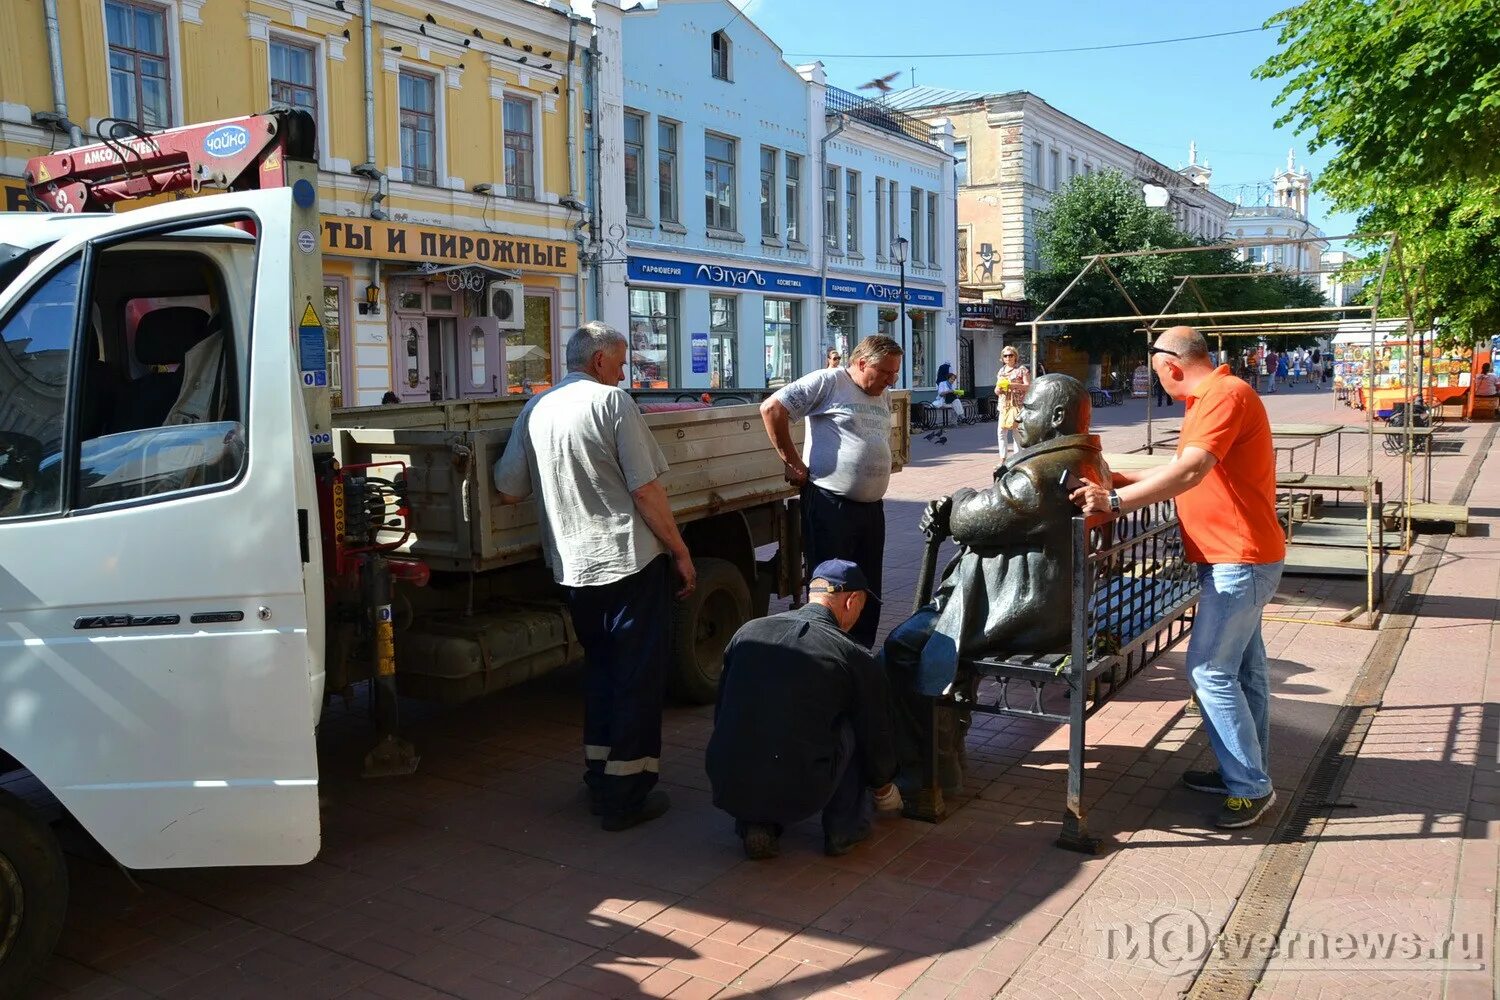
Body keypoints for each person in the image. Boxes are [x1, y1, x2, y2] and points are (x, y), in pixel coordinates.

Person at [1071, 326, 1284, 829]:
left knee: (1210, 672)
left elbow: (1190, 472)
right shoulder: (1212, 398)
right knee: (1243, 673)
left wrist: (1116, 501)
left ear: (1170, 366)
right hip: (1237, 558)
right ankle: (1245, 771)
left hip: (1239, 560)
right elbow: (1181, 468)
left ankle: (1251, 786)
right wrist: (1120, 478)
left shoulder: (1224, 395)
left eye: (1154, 372)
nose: (1156, 380)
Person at [494, 322, 697, 832]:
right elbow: (647, 491)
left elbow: (508, 487)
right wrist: (680, 551)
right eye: (623, 360)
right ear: (602, 360)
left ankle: (600, 774)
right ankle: (625, 796)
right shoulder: (613, 404)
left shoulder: (536, 407)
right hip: (628, 562)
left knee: (603, 671)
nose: (625, 370)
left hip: (573, 566)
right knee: (636, 679)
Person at [883, 374, 1112, 794]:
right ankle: (943, 748)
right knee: (935, 635)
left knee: (902, 647)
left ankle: (928, 764)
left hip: (1025, 612)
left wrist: (958, 495)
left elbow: (970, 520)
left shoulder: (1038, 475)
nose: (1019, 417)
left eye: (1028, 409)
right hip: (1057, 602)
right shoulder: (1087, 459)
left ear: (1057, 416)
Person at [707, 559, 902, 860]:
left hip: (725, 781)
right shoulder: (852, 655)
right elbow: (876, 733)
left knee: (756, 714)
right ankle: (843, 830)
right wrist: (884, 786)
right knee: (854, 722)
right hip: (801, 789)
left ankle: (756, 824)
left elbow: (722, 711)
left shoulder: (748, 632)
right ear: (852, 601)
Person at [760, 335, 902, 647]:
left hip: (870, 508)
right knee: (832, 588)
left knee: (866, 588)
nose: (891, 380)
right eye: (885, 373)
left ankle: (859, 655)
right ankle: (826, 653)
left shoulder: (883, 393)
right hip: (830, 505)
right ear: (862, 363)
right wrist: (792, 461)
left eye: (895, 374)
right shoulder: (828, 382)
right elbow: (772, 409)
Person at [994, 346, 1031, 454]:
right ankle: (1003, 458)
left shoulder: (1022, 369)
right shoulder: (1001, 371)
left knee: (1016, 433)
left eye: (1011, 355)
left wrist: (1013, 385)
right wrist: (998, 389)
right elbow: (996, 390)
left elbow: (1028, 386)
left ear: (1015, 356)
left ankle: (1017, 457)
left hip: (1017, 405)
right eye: (1005, 356)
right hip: (1004, 405)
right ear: (1002, 358)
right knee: (1001, 432)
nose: (1008, 358)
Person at [925, 361, 964, 441]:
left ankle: (956, 421)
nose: (953, 381)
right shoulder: (942, 384)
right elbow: (940, 393)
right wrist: (949, 392)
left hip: (950, 401)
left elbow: (954, 394)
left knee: (956, 402)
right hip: (943, 401)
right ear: (948, 378)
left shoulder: (952, 386)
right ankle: (959, 417)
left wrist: (957, 394)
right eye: (952, 379)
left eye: (953, 380)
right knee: (956, 403)